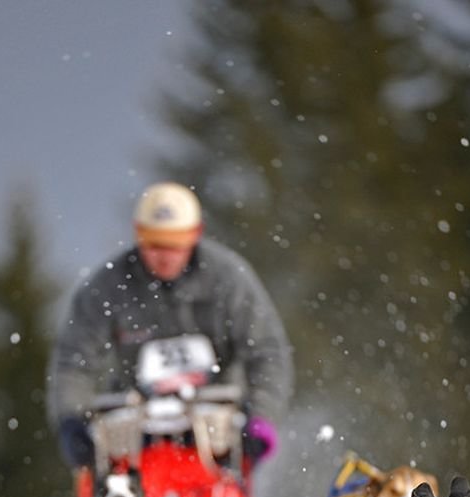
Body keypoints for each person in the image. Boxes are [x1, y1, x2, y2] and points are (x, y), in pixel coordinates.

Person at [47, 181, 294, 480]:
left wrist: (262, 417)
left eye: (175, 244)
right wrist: (73, 420)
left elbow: (267, 351)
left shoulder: (229, 280)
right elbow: (74, 363)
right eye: (154, 244)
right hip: (135, 443)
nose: (165, 256)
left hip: (219, 442)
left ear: (195, 235)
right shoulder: (107, 288)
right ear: (138, 235)